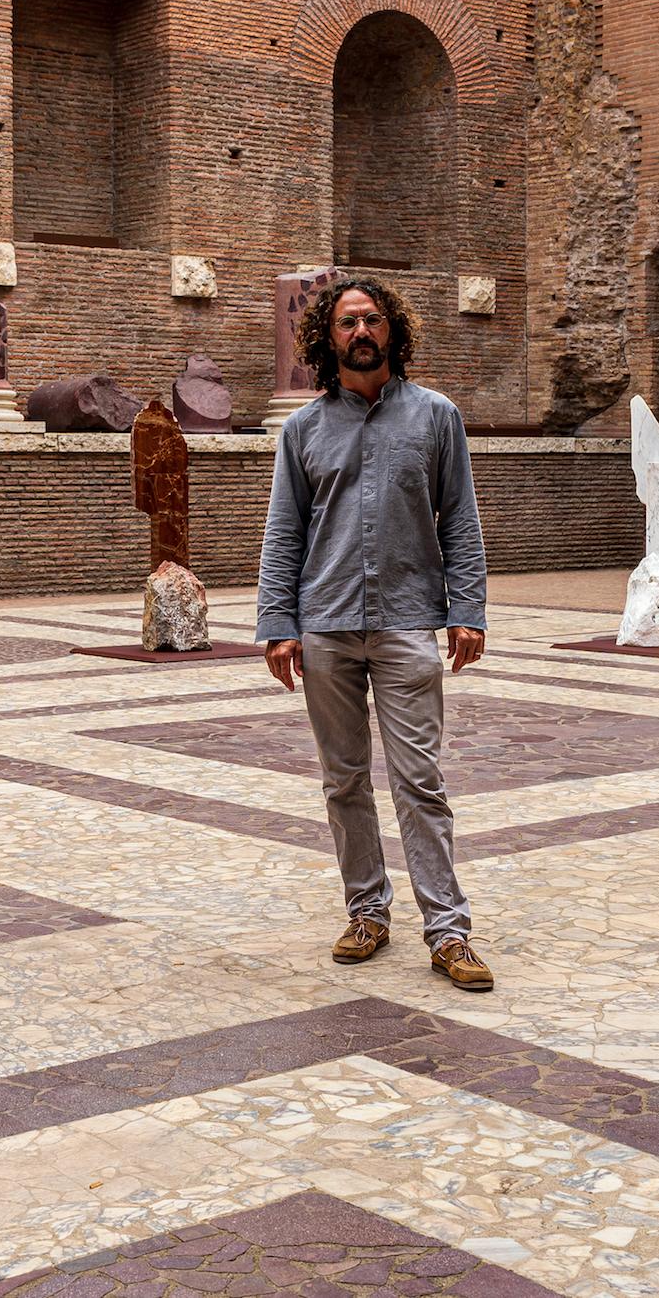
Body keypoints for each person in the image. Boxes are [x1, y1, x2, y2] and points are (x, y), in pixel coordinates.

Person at [256, 276, 493, 990]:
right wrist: (277, 623)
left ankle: (448, 930)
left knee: (421, 779)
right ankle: (367, 911)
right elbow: (284, 532)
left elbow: (461, 518)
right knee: (344, 780)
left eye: (372, 319)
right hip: (324, 623)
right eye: (347, 322)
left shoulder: (435, 417)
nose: (361, 331)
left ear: (393, 329)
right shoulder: (302, 429)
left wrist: (467, 608)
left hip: (407, 620)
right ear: (328, 338)